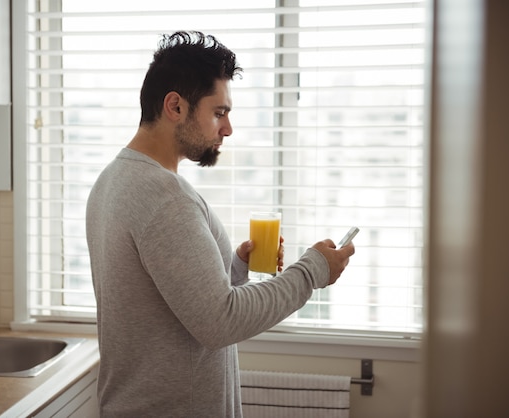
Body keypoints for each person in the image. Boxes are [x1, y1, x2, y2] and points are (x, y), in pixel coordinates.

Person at [85, 30, 355, 417]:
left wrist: (236, 266)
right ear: (175, 106)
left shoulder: (113, 179)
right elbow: (219, 321)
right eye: (219, 112)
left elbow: (164, 294)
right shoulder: (166, 198)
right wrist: (312, 271)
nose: (227, 129)